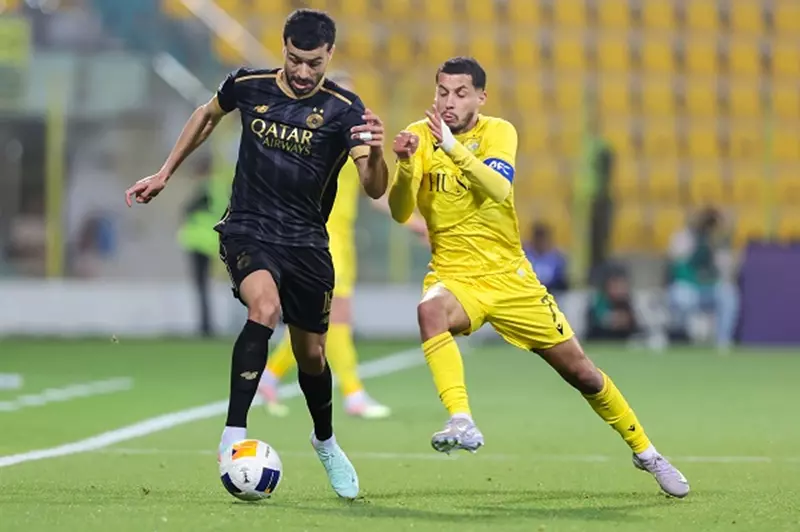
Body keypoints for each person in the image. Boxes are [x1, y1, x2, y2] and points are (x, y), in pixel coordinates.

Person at [387, 57, 689, 498]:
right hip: (456, 276)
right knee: (429, 311)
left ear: (481, 97)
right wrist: (405, 166)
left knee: (583, 374)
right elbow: (400, 212)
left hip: (512, 279)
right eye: (442, 92)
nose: (449, 102)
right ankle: (461, 419)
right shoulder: (419, 135)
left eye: (461, 93)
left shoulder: (498, 131)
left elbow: (499, 189)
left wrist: (451, 146)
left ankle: (646, 452)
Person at [124, 9, 389, 499]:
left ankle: (325, 441)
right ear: (283, 48)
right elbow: (206, 115)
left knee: (312, 355)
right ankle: (233, 432)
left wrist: (374, 151)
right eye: (294, 59)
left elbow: (375, 188)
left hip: (307, 242)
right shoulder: (248, 85)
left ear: (329, 55)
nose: (303, 71)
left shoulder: (345, 110)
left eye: (314, 63)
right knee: (263, 307)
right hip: (249, 228)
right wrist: (164, 172)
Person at [258, 72, 427, 420]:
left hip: (341, 239)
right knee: (337, 316)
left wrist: (413, 223)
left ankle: (270, 377)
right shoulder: (308, 137)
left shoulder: (352, 139)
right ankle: (353, 393)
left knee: (318, 321)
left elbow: (374, 192)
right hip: (318, 238)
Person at [667, 207, 739, 350]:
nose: (708, 228)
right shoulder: (683, 237)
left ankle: (723, 342)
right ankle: (681, 339)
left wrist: (719, 243)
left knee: (728, 295)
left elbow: (725, 273)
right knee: (681, 297)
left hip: (709, 289)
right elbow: (678, 267)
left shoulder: (718, 241)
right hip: (688, 288)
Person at [586, 265, 639, 341]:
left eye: (622, 285)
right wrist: (612, 320)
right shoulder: (599, 301)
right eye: (615, 285)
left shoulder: (628, 303)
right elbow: (596, 322)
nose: (620, 289)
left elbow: (635, 327)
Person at [523, 222, 569, 296]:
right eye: (538, 239)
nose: (541, 242)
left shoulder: (558, 258)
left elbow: (562, 282)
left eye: (543, 239)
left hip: (552, 292)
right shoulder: (525, 255)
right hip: (529, 291)